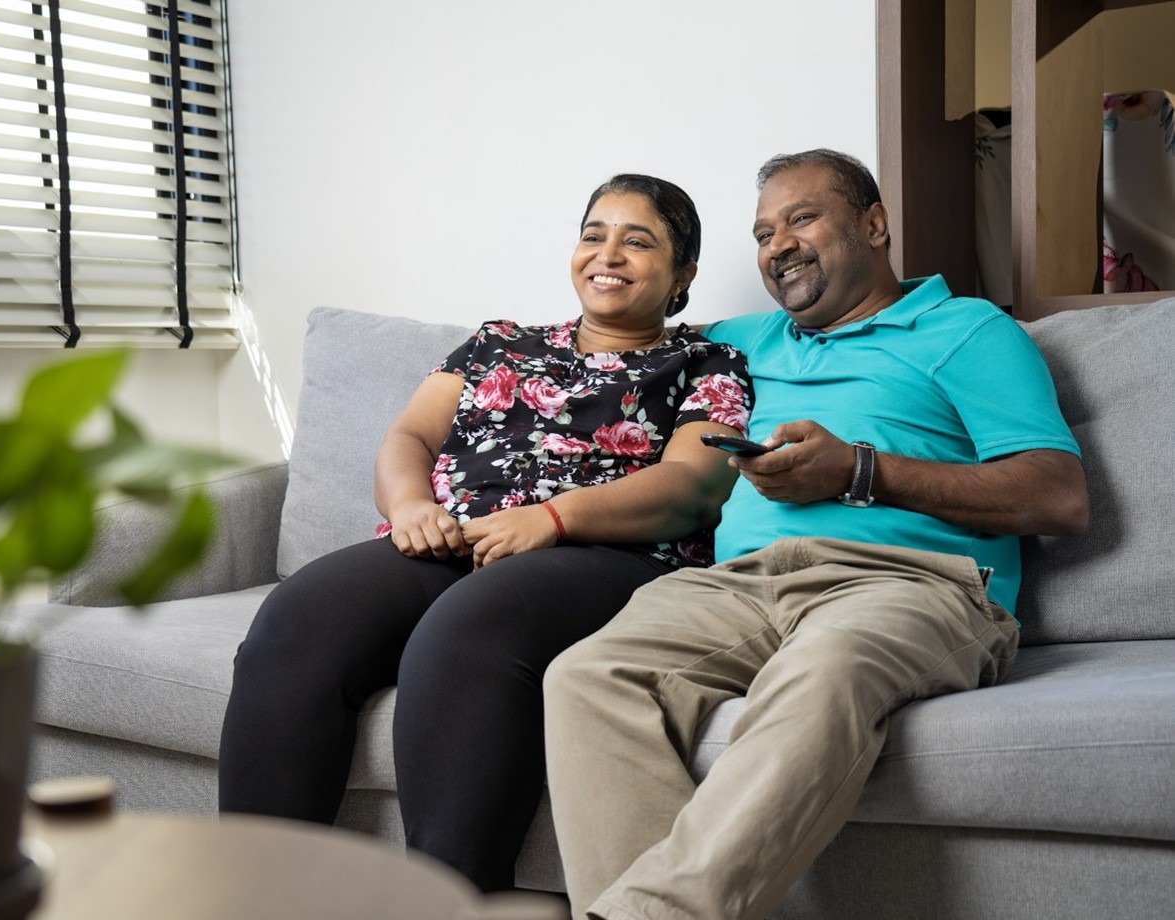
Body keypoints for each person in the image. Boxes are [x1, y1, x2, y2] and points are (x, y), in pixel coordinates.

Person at [542, 149, 1090, 920]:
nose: (777, 246)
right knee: (586, 674)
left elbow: (1059, 497)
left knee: (822, 669)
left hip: (908, 582)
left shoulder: (966, 330)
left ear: (872, 224)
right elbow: (614, 343)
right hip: (736, 586)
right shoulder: (740, 341)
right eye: (764, 233)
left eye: (802, 219)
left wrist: (860, 472)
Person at [218, 174, 755, 892]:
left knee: (466, 629)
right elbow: (409, 433)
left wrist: (551, 518)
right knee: (297, 622)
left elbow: (692, 486)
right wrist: (410, 507)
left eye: (639, 240)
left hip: (603, 554)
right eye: (593, 234)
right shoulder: (498, 342)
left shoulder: (705, 362)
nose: (608, 253)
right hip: (452, 537)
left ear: (682, 272)